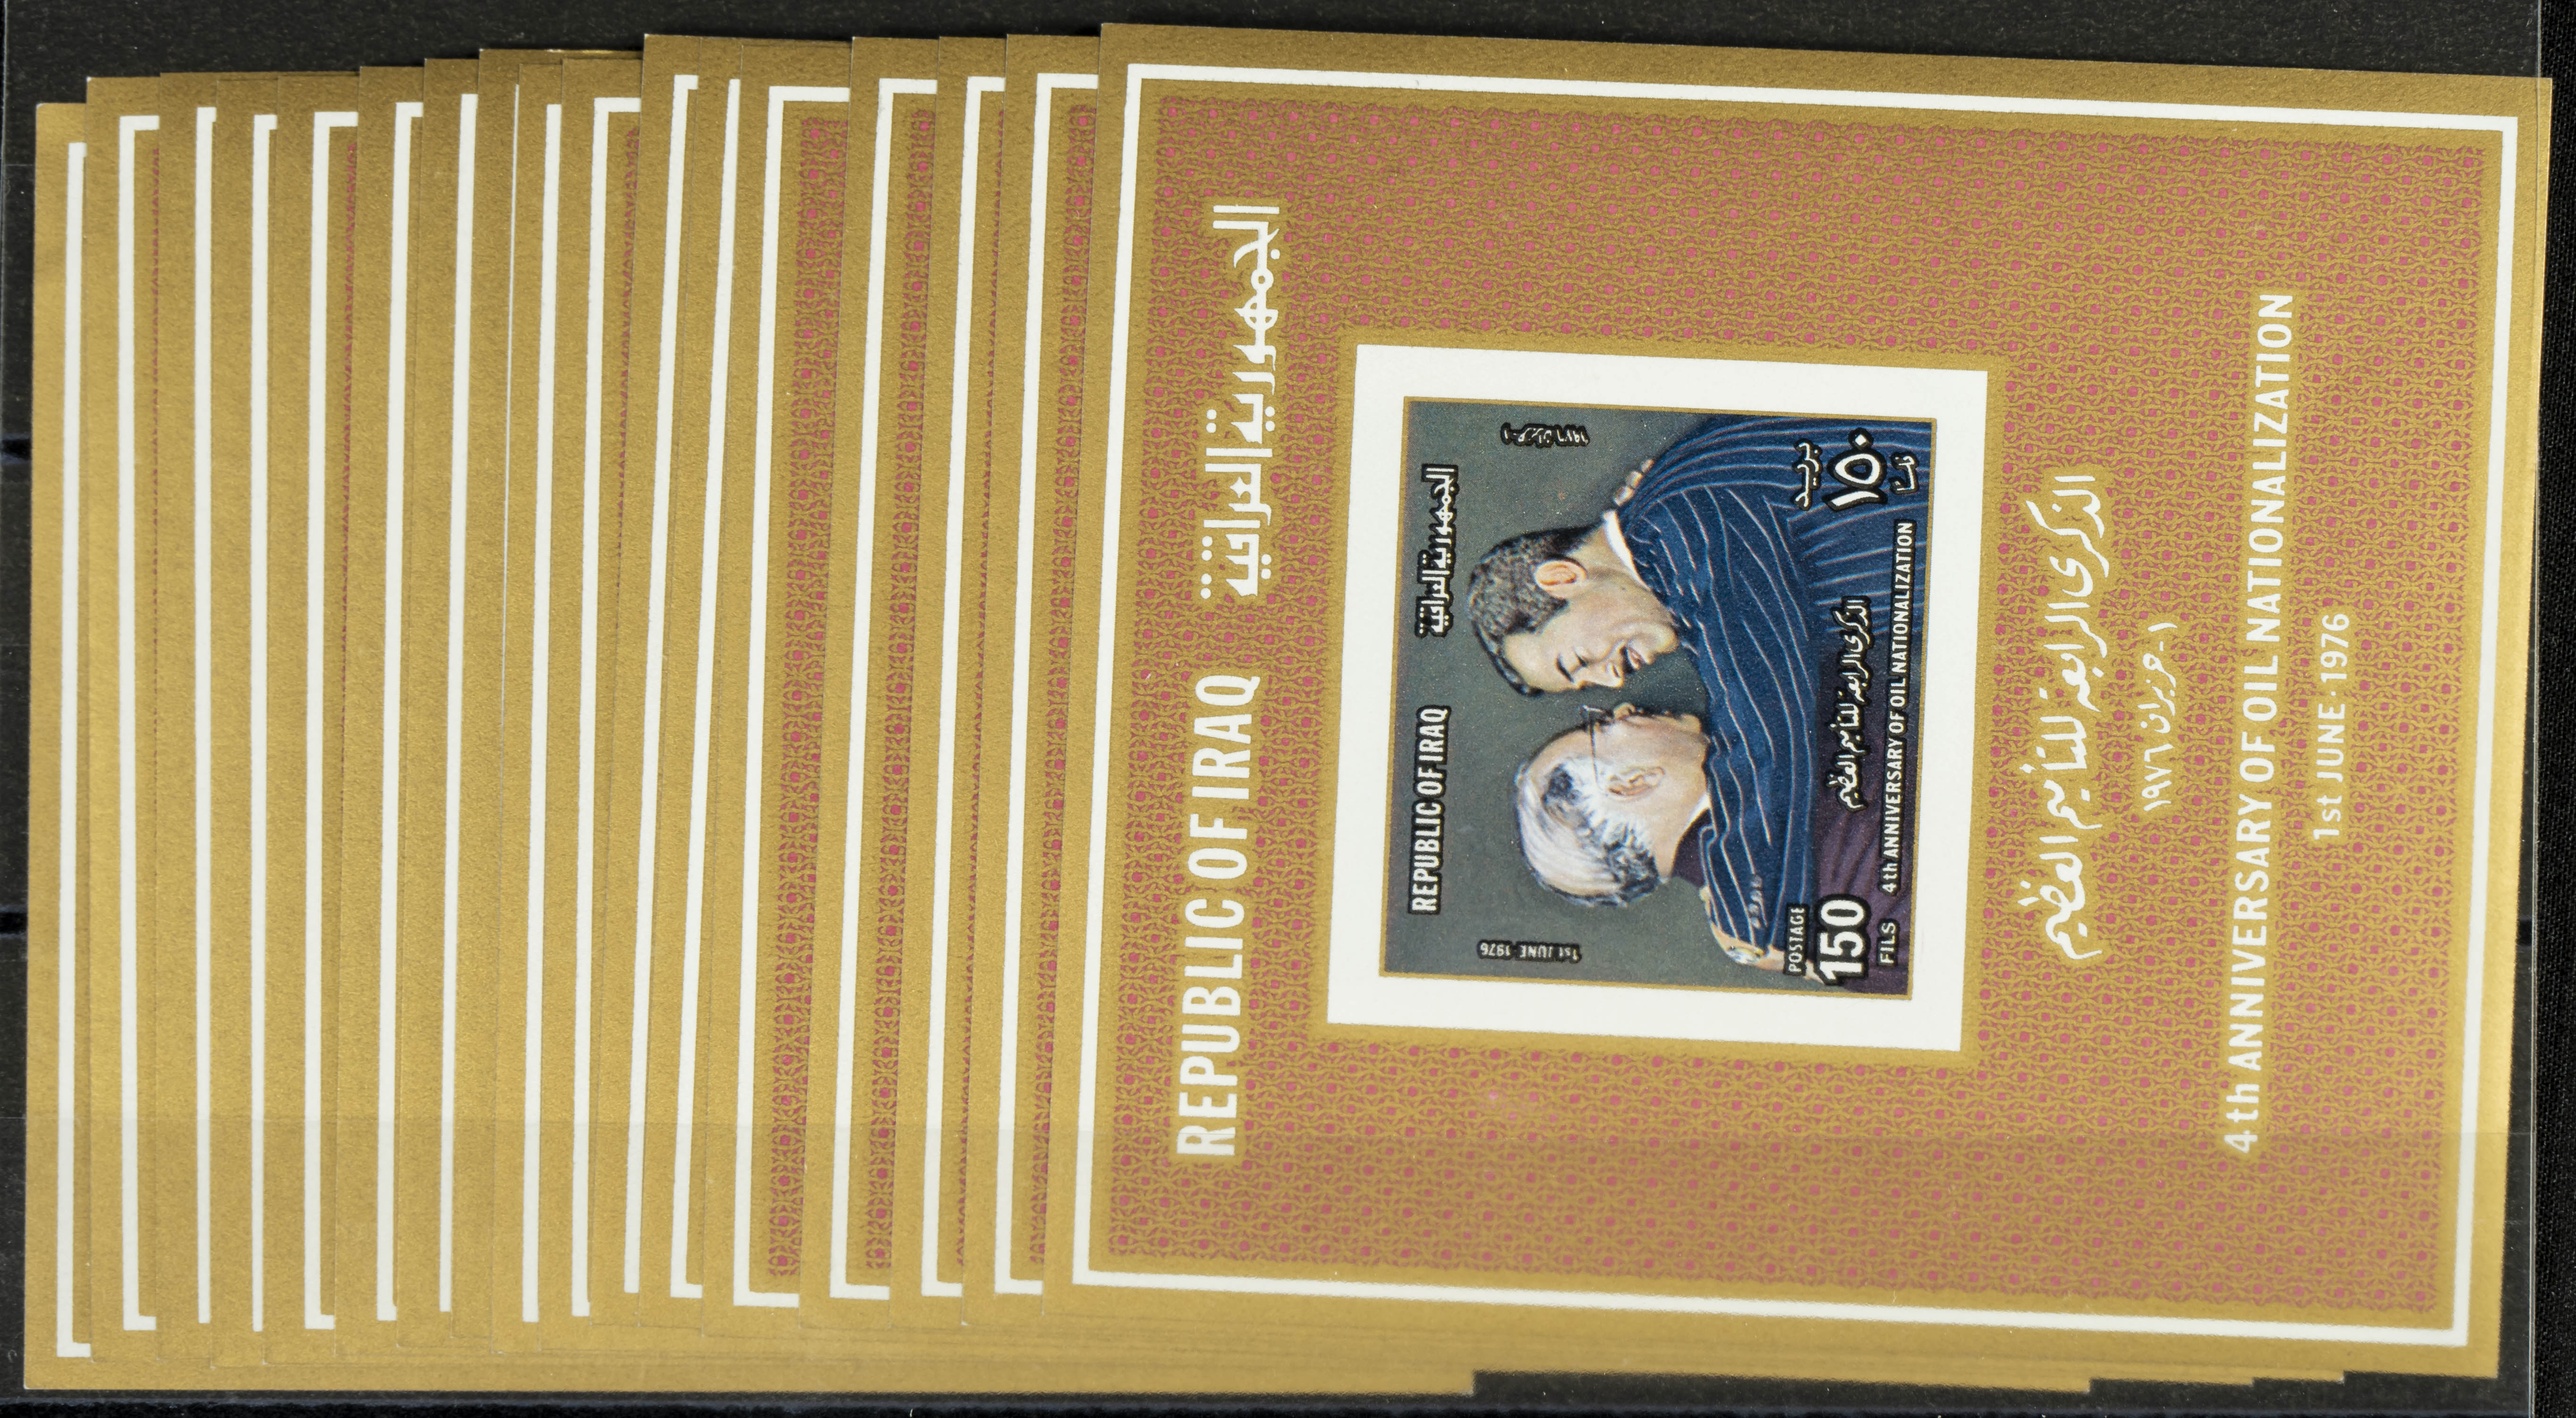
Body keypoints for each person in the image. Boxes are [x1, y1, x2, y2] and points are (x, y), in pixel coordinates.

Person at [1468, 413, 1929, 976]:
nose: (1616, 685)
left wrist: (1749, 923)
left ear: (1563, 579)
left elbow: (1763, 717)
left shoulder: (1678, 527)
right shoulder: (1677, 542)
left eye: (1580, 661)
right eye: (1588, 686)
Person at [1512, 704, 1909, 993]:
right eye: (1601, 725)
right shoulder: (1789, 762)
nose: (1624, 709)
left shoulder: (1778, 928)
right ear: (1630, 784)